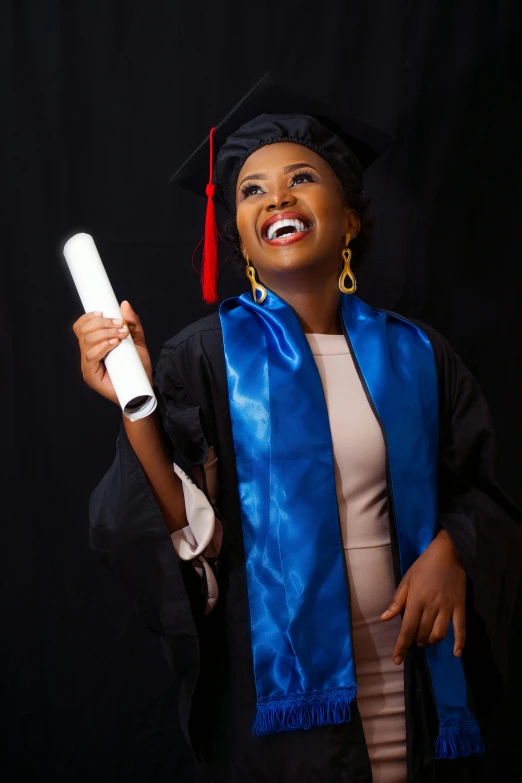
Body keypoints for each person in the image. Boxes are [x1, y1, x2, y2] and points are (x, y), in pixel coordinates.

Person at [73, 74, 522, 783]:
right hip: (285, 719)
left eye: (301, 178)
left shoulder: (419, 354)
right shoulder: (204, 357)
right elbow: (188, 534)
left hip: (415, 689)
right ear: (243, 241)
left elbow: (488, 493)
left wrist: (454, 549)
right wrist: (137, 414)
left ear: (347, 219)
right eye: (251, 189)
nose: (276, 197)